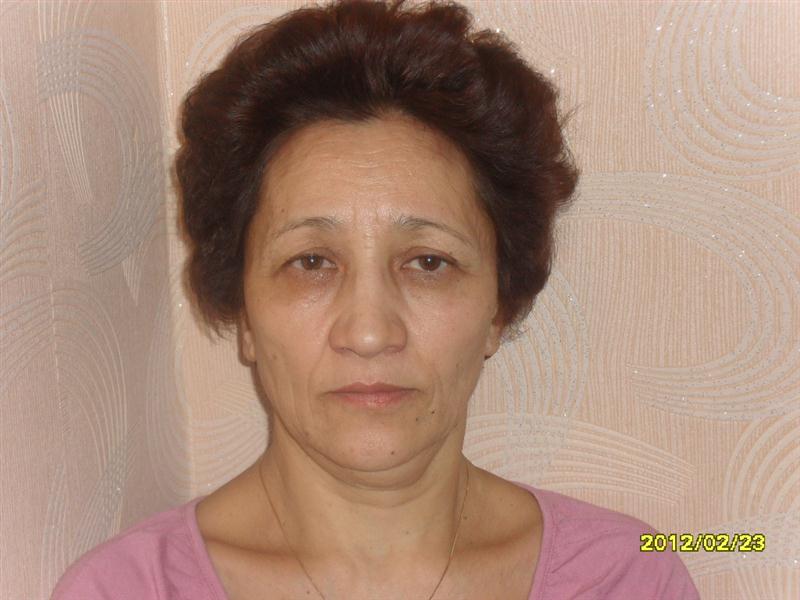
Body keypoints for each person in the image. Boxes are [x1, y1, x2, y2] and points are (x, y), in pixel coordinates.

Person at [51, 0, 700, 598]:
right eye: (311, 262)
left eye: (428, 262)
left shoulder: (630, 577)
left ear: (498, 308)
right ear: (244, 311)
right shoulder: (125, 590)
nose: (368, 332)